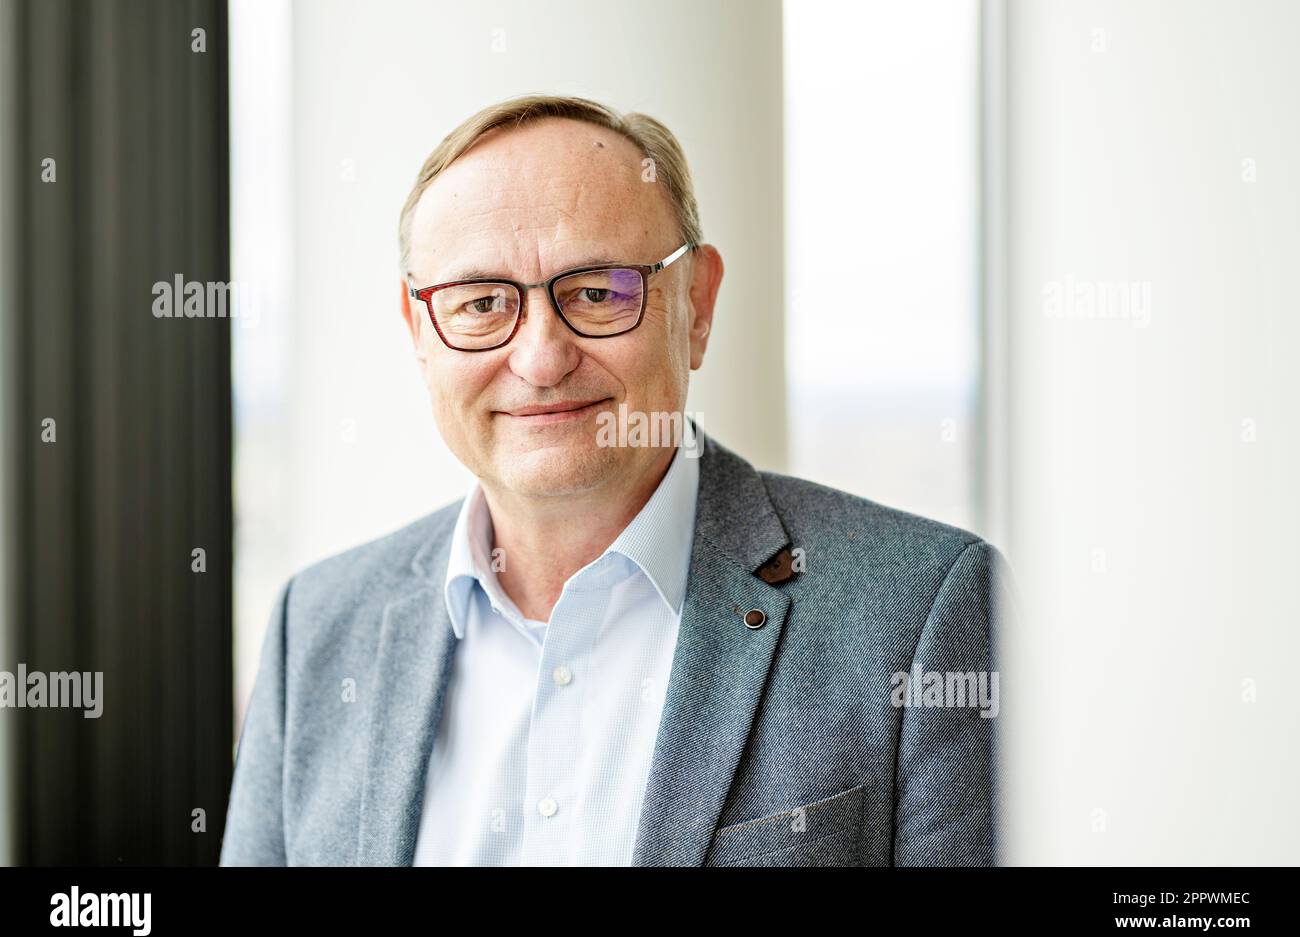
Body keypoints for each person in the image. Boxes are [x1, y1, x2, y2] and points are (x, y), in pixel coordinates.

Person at [219, 94, 1006, 867]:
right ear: (420, 331)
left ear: (696, 306)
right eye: (482, 303)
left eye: (598, 293)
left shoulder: (923, 613)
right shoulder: (317, 628)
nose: (540, 358)